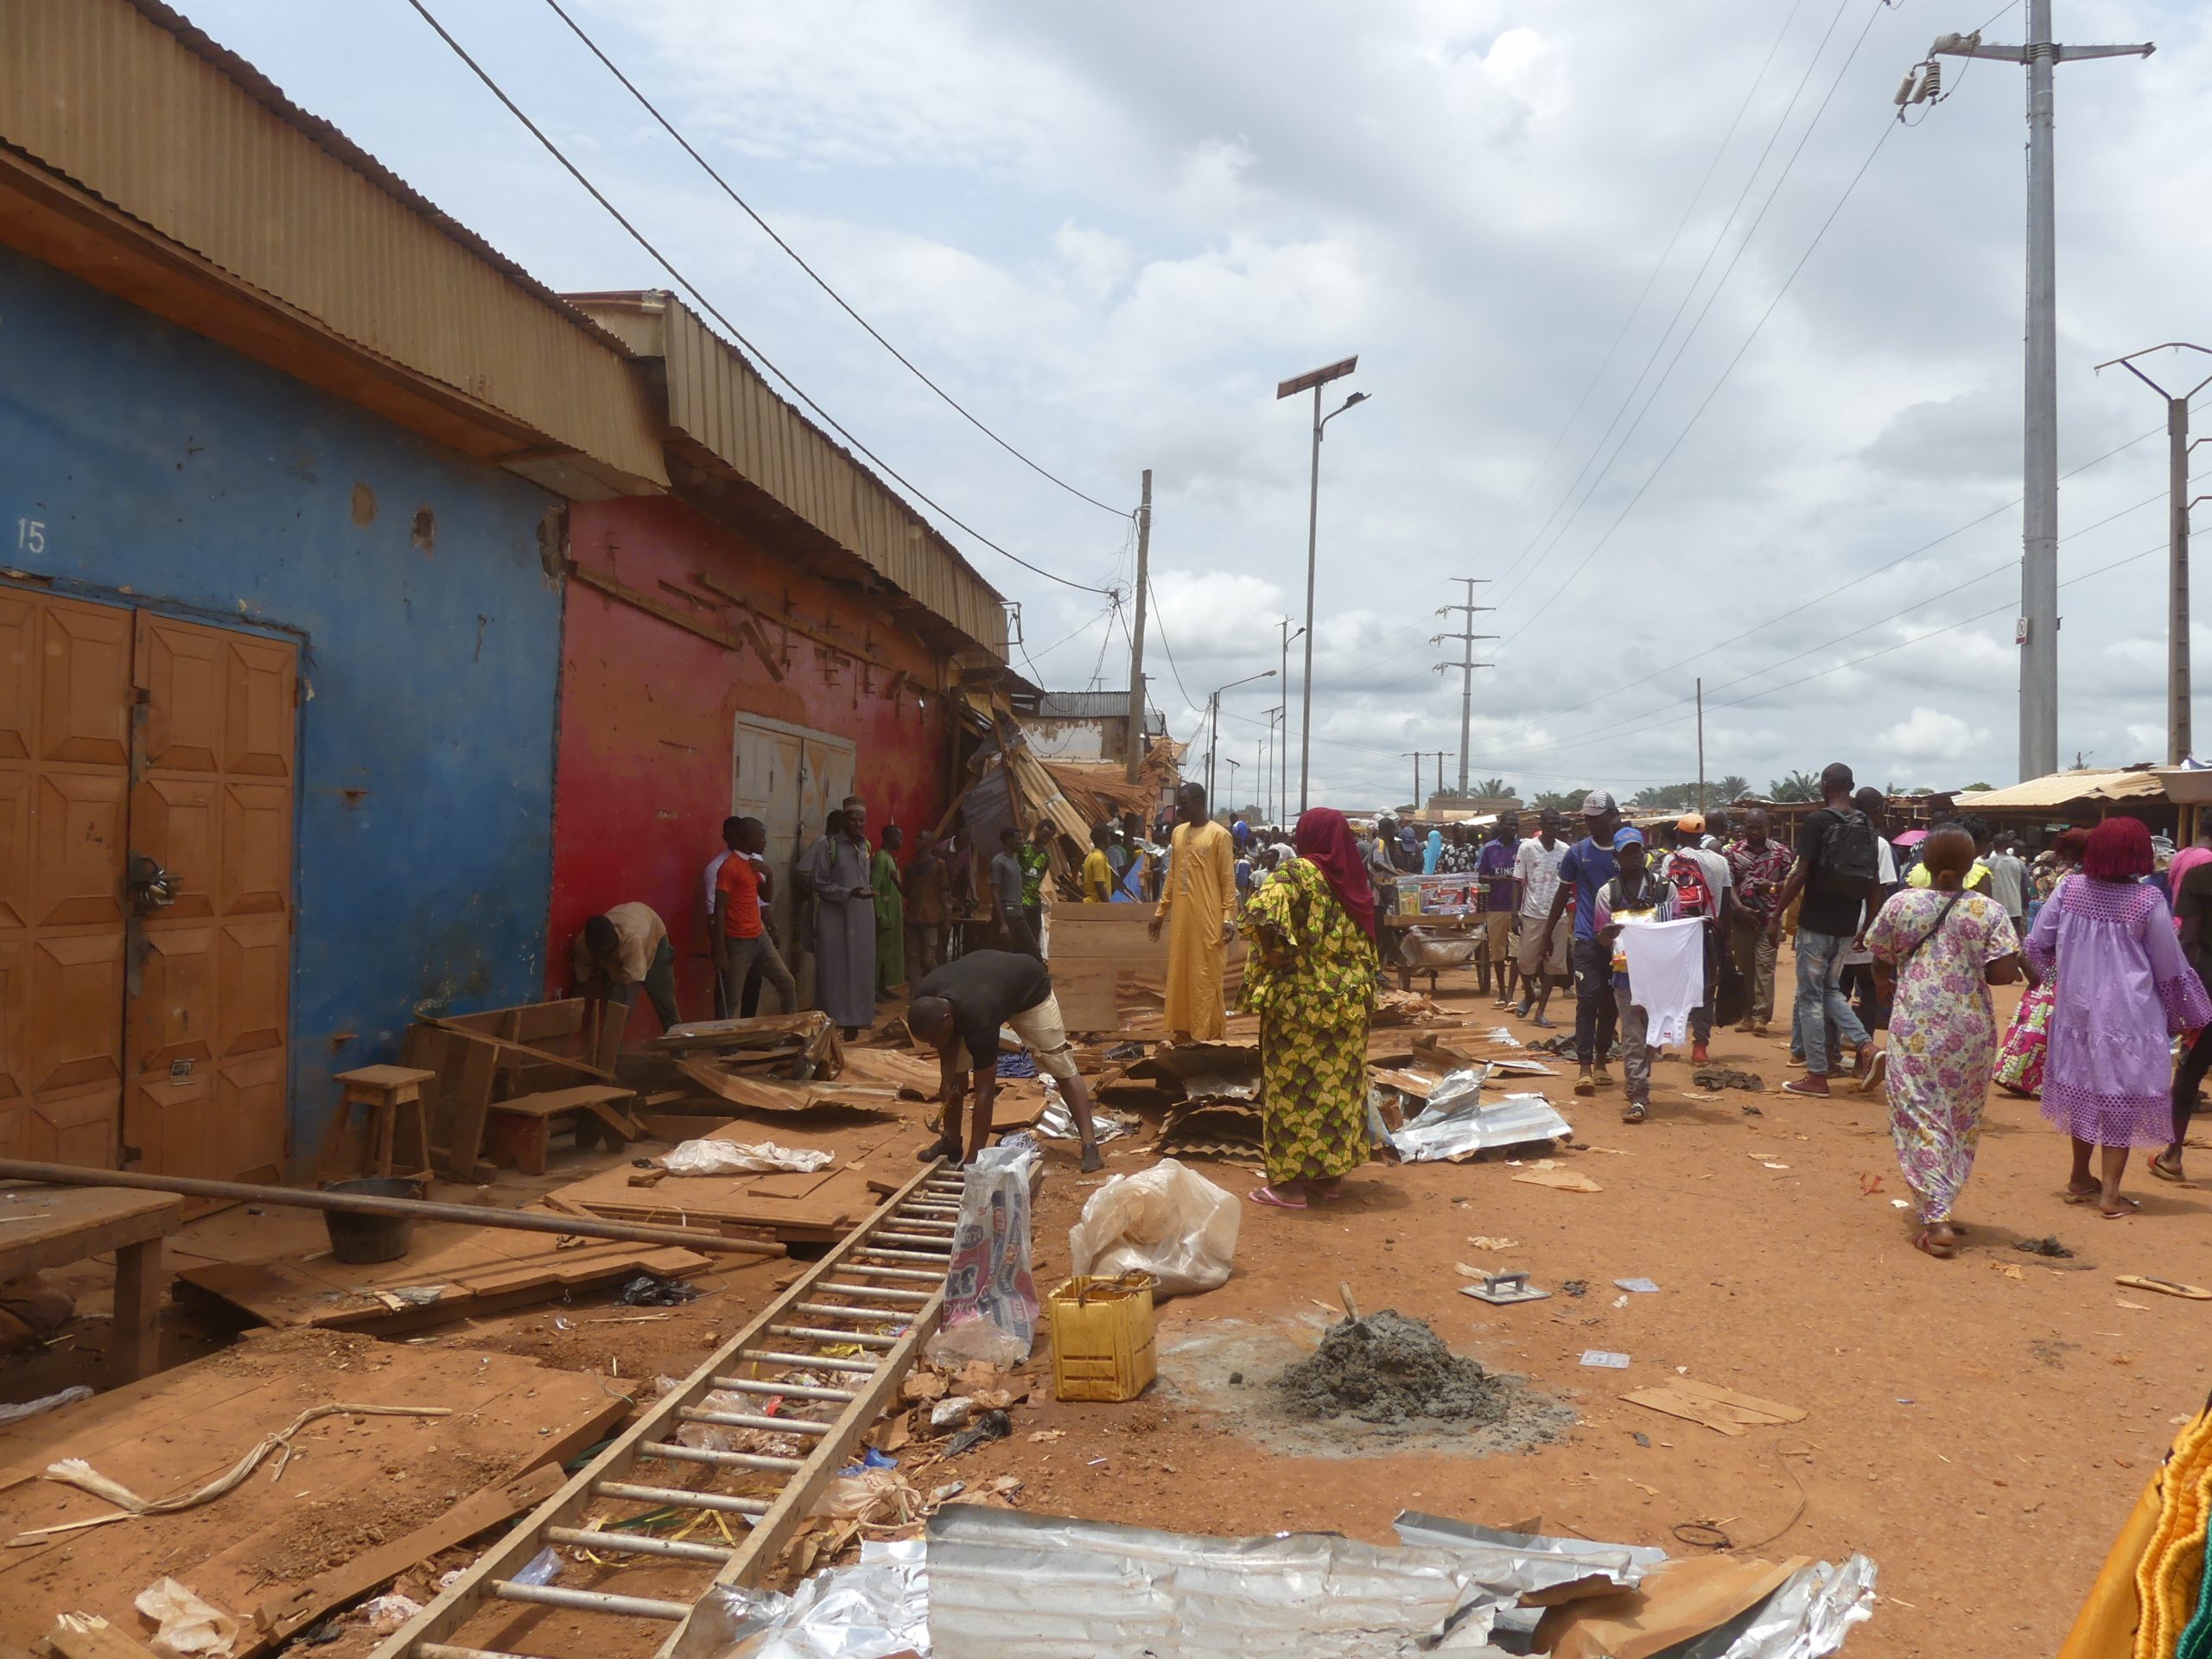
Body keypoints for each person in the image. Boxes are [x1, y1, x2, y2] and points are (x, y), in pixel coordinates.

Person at [2025, 816, 2212, 1218]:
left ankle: (2079, 1178)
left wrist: (2063, 979)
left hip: (2077, 1013)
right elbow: (2169, 965)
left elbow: (2038, 944)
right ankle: (2110, 1194)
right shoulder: (2147, 901)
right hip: (2130, 1018)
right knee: (2119, 1098)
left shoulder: (2069, 889)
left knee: (2083, 1089)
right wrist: (2187, 1013)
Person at [1863, 824, 2023, 1258]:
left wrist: (1884, 985)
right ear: (1973, 866)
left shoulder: (1902, 904)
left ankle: (1937, 1218)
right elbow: (2003, 975)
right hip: (1970, 1031)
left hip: (1916, 1026)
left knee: (1920, 1113)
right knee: (1961, 1118)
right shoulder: (1989, 912)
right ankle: (1943, 1198)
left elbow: (1878, 956)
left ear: (1924, 864)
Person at [1241, 807, 1381, 1208]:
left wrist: (1275, 954)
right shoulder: (1354, 879)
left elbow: (1263, 909)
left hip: (1299, 1006)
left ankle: (1288, 1186)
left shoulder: (1296, 873)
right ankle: (1328, 1178)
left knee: (1292, 1089)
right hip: (1350, 1006)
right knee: (1337, 1090)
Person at [908, 949, 1103, 1172]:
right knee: (951, 1082)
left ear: (947, 1020)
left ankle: (1090, 1146)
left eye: (933, 1040)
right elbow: (948, 1056)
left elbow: (985, 1092)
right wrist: (948, 1081)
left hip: (1029, 993)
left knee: (1061, 1066)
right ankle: (951, 1141)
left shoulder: (978, 1018)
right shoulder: (928, 999)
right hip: (984, 988)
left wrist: (974, 1160)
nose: (932, 1046)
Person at [1768, 764, 1876, 1097]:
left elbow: (1801, 873)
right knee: (1831, 990)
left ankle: (1817, 1075)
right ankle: (1867, 1046)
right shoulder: (1867, 824)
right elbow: (1873, 883)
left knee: (1810, 997)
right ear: (1852, 786)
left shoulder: (1817, 822)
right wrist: (1867, 925)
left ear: (1824, 785)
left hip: (1815, 923)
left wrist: (1776, 915)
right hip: (1847, 924)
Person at [1994, 826, 2086, 1097]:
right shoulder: (2072, 878)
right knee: (2045, 1016)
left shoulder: (2070, 878)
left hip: (2054, 952)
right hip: (2063, 957)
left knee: (2038, 1013)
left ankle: (2017, 1072)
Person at [1542, 791, 1623, 1097]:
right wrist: (1548, 934)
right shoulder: (1577, 853)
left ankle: (1602, 1060)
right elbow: (1562, 895)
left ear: (1612, 815)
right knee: (1587, 998)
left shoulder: (1627, 850)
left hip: (1620, 942)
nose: (1589, 823)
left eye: (1595, 818)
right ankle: (1585, 1067)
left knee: (1611, 1001)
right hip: (1587, 937)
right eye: (1586, 818)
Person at [1593, 827, 1675, 1125]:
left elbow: (1673, 927)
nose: (1634, 856)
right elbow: (1601, 938)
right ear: (1617, 857)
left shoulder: (1666, 888)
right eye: (1627, 852)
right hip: (1625, 973)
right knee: (1632, 1034)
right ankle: (1638, 1093)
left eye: (1637, 850)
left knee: (1652, 1034)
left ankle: (1642, 1079)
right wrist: (1609, 933)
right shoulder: (1608, 893)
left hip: (1657, 973)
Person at [1148, 782, 1236, 1042]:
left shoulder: (1219, 835)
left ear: (1199, 801)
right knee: (1181, 975)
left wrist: (1229, 918)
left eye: (1184, 802)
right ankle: (1184, 1031)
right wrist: (1160, 912)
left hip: (1208, 920)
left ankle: (1206, 1035)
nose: (1179, 807)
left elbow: (1227, 881)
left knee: (1205, 976)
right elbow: (1173, 876)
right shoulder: (1177, 834)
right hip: (1182, 921)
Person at [1658, 813, 1734, 1064]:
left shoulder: (1672, 859)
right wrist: (1726, 939)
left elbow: (1665, 899)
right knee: (1706, 990)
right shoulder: (1720, 862)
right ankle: (1700, 1046)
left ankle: (1659, 1041)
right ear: (1703, 835)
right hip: (1709, 930)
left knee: (1669, 986)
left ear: (1680, 834)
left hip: (1679, 932)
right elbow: (1725, 906)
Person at [2163, 832, 2212, 1180]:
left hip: (2209, 983)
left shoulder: (2200, 877)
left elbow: (2188, 937)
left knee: (2191, 1068)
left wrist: (2176, 990)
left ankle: (2173, 1155)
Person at [1834, 788, 1900, 1044]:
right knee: (1870, 996)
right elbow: (1882, 892)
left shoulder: (1837, 837)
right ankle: (1864, 1056)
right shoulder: (1879, 844)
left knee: (1835, 994)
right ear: (1877, 810)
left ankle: (1830, 1056)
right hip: (1867, 933)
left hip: (1839, 929)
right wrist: (1874, 932)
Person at [808, 798, 878, 1038]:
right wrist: (848, 893)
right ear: (844, 821)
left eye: (861, 820)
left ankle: (855, 1022)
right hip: (835, 917)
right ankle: (831, 1021)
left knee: (860, 967)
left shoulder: (866, 846)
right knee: (833, 968)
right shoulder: (828, 847)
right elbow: (819, 882)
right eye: (853, 819)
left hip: (862, 916)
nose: (858, 824)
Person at [1726, 808, 1793, 1035]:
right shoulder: (1732, 853)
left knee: (1764, 967)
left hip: (1769, 919)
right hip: (1743, 919)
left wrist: (1771, 887)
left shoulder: (1781, 853)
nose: (1753, 831)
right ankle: (1746, 1015)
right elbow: (1728, 885)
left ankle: (1761, 1016)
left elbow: (1792, 883)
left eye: (1758, 826)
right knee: (1745, 969)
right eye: (1749, 826)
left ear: (1768, 827)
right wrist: (1739, 908)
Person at [575, 901, 679, 1042]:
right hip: (628, 939)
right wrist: (571, 1013)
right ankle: (610, 1058)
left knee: (664, 1001)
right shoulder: (583, 946)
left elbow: (629, 993)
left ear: (615, 941)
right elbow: (581, 983)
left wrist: (617, 1024)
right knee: (614, 1007)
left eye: (606, 952)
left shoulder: (631, 941)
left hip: (653, 937)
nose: (602, 957)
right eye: (598, 954)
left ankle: (679, 1052)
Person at [1512, 807, 1571, 1028]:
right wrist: (1514, 914)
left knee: (1552, 966)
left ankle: (1540, 1012)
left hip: (1558, 916)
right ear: (1541, 824)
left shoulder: (1565, 850)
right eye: (1550, 823)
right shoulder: (1527, 848)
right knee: (1525, 962)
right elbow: (1517, 881)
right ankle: (1529, 993)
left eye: (1557, 824)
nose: (1554, 828)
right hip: (1532, 914)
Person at [1477, 813, 1522, 1007]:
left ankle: (1511, 994)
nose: (1512, 828)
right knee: (1497, 952)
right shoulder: (1489, 849)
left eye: (1515, 825)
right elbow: (1481, 876)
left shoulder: (1522, 848)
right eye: (1509, 824)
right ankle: (1501, 993)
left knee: (1516, 952)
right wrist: (1497, 880)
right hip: (1495, 906)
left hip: (1519, 908)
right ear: (1501, 825)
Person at [905, 830, 951, 981]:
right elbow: (907, 893)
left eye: (920, 838)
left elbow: (945, 894)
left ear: (929, 844)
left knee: (929, 959)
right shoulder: (910, 866)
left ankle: (935, 984)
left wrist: (947, 919)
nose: (916, 840)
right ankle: (914, 993)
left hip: (931, 918)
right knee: (913, 958)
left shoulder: (939, 865)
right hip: (913, 918)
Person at [989, 826, 1037, 956]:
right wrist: (1002, 923)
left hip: (1018, 912)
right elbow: (994, 892)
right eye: (1019, 839)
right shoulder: (999, 862)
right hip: (1007, 914)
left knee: (1033, 951)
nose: (1022, 842)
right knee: (1005, 953)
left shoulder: (1014, 859)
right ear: (1009, 840)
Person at [872, 823, 906, 998]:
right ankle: (873, 990)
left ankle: (882, 986)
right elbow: (875, 888)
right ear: (891, 838)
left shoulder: (890, 858)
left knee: (888, 953)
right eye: (899, 837)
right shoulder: (880, 858)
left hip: (893, 913)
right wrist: (879, 914)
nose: (902, 841)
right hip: (884, 914)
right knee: (878, 954)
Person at [1019, 820, 1055, 955]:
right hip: (1020, 900)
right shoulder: (1023, 849)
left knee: (1034, 938)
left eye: (1048, 837)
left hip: (1034, 902)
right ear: (1037, 831)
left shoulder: (1046, 856)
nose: (1044, 839)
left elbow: (1040, 876)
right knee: (1020, 937)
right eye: (1043, 834)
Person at [1985, 831, 2030, 935]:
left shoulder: (1986, 864)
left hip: (1993, 910)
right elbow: (2026, 888)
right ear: (2008, 846)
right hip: (2015, 910)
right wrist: (2024, 907)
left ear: (1994, 845)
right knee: (2013, 940)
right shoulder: (2019, 864)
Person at [1082, 823, 1116, 903]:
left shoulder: (1091, 856)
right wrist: (1108, 904)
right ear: (1106, 838)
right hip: (1096, 905)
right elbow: (1099, 885)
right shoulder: (1099, 859)